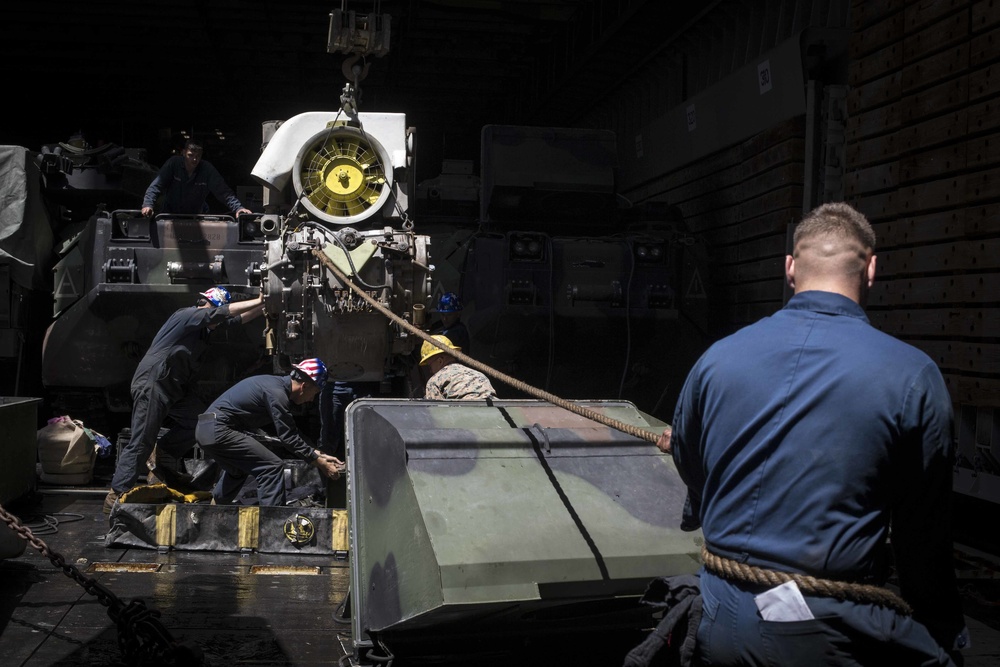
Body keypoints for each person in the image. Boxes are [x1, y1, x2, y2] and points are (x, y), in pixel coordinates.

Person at [661, 202, 968, 665]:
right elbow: (922, 537)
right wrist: (944, 630)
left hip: (716, 619)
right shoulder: (912, 375)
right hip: (829, 635)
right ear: (871, 270)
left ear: (789, 268)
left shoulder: (717, 358)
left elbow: (691, 462)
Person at [105, 287, 265, 513]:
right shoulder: (187, 315)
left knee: (200, 423)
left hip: (175, 389)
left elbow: (234, 320)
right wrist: (258, 299)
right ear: (208, 305)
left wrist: (264, 305)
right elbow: (222, 314)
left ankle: (164, 456)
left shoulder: (204, 330)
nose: (218, 321)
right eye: (216, 312)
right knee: (142, 441)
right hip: (154, 384)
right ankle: (116, 495)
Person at [194, 358, 345, 506]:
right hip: (218, 429)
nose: (311, 399)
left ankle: (213, 511)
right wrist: (319, 463)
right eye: (315, 393)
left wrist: (318, 453)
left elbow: (291, 431)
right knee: (271, 468)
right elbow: (289, 438)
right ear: (304, 386)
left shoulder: (275, 386)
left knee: (237, 471)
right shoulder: (277, 394)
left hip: (206, 429)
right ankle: (272, 524)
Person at [141, 139, 252, 217]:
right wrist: (148, 205)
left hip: (196, 217)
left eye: (197, 156)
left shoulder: (207, 169)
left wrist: (238, 208)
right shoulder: (173, 164)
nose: (194, 159)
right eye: (190, 155)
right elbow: (156, 186)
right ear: (183, 153)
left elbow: (223, 191)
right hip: (170, 214)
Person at [420, 335, 496, 400]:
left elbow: (434, 413)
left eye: (429, 366)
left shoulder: (435, 380)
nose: (430, 371)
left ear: (440, 361)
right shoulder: (477, 374)